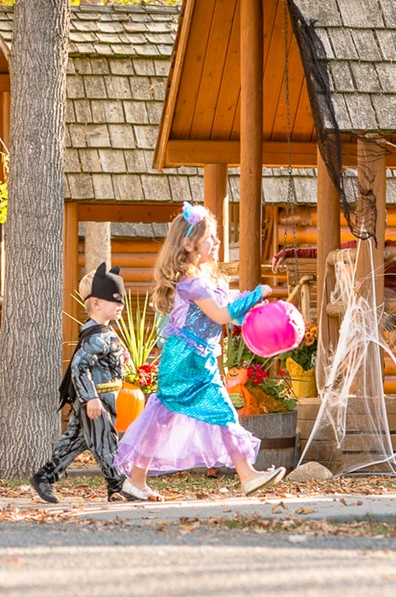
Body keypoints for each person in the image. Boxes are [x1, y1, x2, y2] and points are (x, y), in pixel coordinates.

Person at [115, 202, 286, 498]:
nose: (217, 242)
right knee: (207, 412)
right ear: (189, 244)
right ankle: (246, 475)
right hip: (185, 360)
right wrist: (256, 294)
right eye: (210, 237)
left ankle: (138, 480)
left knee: (170, 416)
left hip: (198, 358)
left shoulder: (206, 280)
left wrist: (254, 310)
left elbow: (229, 314)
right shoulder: (192, 283)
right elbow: (220, 315)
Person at [33, 262, 138, 504]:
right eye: (115, 300)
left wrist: (121, 356)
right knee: (105, 443)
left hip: (101, 399)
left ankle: (45, 477)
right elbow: (79, 367)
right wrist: (91, 398)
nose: (121, 305)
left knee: (74, 441)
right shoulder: (97, 336)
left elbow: (101, 361)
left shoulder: (103, 332)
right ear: (96, 303)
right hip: (96, 400)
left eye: (122, 300)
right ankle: (118, 487)